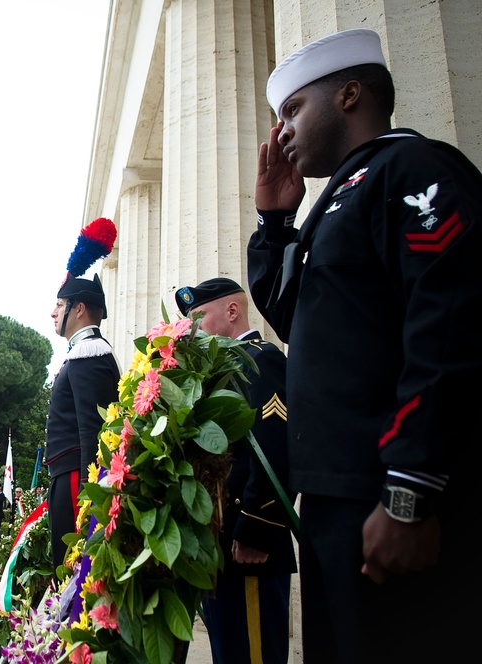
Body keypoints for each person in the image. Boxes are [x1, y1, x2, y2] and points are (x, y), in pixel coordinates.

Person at [247, 29, 480, 664]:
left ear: (350, 94)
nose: (281, 133)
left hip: (389, 497)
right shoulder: (337, 200)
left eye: (292, 110)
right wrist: (274, 225)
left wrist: (410, 490)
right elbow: (307, 326)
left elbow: (451, 322)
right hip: (335, 505)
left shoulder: (414, 169)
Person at [175, 278, 296, 664]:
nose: (191, 331)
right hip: (222, 547)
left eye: (199, 318)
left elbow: (276, 445)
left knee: (252, 654)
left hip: (250, 549)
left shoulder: (262, 360)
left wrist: (257, 529)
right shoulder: (219, 370)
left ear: (232, 311)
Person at [45, 271, 121, 569]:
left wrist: (90, 499)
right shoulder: (82, 353)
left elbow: (94, 433)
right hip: (67, 475)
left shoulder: (90, 354)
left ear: (79, 309)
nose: (53, 312)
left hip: (77, 478)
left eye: (60, 304)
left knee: (73, 568)